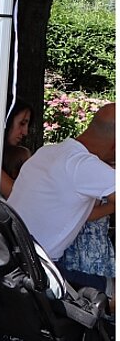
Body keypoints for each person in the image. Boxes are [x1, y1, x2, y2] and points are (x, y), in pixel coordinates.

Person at [8, 102, 116, 292]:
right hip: (41, 275)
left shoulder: (47, 152)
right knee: (114, 293)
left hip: (12, 262)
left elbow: (87, 212)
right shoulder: (82, 164)